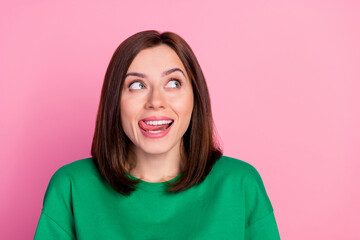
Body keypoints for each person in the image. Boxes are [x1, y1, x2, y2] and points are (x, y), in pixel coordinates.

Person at [34, 30, 280, 239]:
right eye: (137, 85)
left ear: (195, 97)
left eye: (173, 83)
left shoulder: (239, 185)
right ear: (115, 102)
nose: (156, 101)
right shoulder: (71, 187)